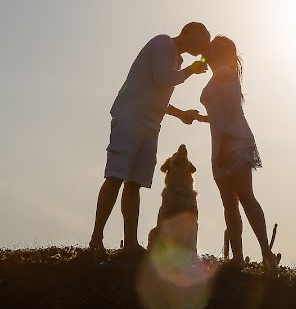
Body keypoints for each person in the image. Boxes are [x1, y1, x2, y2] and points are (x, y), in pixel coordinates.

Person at [89, 22, 211, 253]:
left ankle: (131, 243)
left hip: (151, 124)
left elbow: (158, 95)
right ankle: (96, 239)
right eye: (202, 39)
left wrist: (181, 114)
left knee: (134, 183)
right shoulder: (163, 42)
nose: (204, 46)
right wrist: (192, 70)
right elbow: (164, 80)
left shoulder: (178, 61)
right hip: (130, 117)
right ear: (188, 33)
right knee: (116, 176)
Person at [193, 35, 277, 268]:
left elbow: (228, 118)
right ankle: (241, 257)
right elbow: (220, 114)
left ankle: (264, 253)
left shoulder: (223, 74)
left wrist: (222, 148)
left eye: (209, 50)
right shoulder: (221, 75)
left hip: (231, 143)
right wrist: (198, 117)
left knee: (244, 198)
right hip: (223, 142)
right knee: (231, 204)